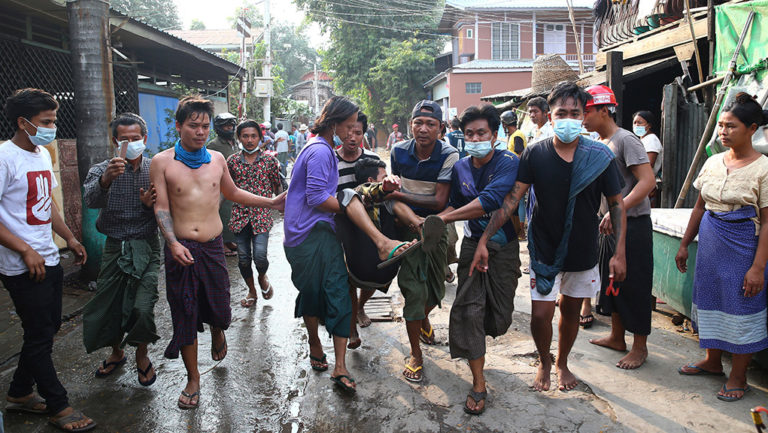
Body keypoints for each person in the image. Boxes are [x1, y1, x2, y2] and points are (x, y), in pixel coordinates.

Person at [470, 81, 627, 392]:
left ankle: (562, 362)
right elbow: (512, 200)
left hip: (583, 248)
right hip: (543, 247)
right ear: (550, 116)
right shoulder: (535, 154)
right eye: (561, 113)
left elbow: (616, 205)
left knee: (571, 311)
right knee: (541, 314)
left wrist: (620, 252)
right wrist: (485, 239)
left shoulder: (599, 157)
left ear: (583, 116)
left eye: (575, 113)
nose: (568, 118)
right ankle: (544, 358)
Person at [150, 95, 285, 410]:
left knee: (220, 309)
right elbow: (161, 207)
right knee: (184, 313)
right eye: (193, 125)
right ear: (178, 126)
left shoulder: (217, 159)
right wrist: (172, 242)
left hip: (212, 247)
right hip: (180, 249)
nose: (200, 132)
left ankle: (218, 331)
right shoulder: (162, 162)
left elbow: (233, 192)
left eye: (204, 126)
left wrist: (271, 202)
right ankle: (193, 378)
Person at [283, 96, 417, 393]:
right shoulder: (319, 151)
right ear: (334, 122)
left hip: (321, 233)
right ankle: (315, 342)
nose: (352, 132)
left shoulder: (321, 148)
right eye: (348, 125)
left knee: (339, 294)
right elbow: (317, 197)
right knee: (313, 294)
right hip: (306, 235)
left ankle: (340, 365)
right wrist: (350, 203)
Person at [0, 88, 94, 431]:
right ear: (23, 122)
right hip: (22, 265)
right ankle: (58, 405)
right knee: (39, 333)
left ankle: (21, 392)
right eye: (46, 121)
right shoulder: (4, 158)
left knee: (46, 329)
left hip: (49, 257)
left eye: (53, 120)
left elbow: (45, 203)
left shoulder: (41, 154)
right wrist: (24, 250)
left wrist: (68, 237)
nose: (52, 127)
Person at [676, 93, 768, 402]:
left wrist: (757, 267)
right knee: (710, 299)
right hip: (711, 243)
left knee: (742, 306)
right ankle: (712, 361)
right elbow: (700, 207)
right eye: (720, 126)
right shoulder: (713, 162)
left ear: (751, 128)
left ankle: (739, 374)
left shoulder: (763, 169)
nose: (723, 132)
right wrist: (685, 244)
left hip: (743, 246)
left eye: (731, 126)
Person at [438, 104, 520, 415]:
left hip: (505, 245)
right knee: (468, 308)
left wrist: (445, 220)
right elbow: (455, 205)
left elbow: (490, 202)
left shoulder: (509, 161)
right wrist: (432, 221)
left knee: (499, 316)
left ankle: (480, 343)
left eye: (481, 133)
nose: (474, 138)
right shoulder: (460, 167)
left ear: (495, 134)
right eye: (469, 133)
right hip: (473, 243)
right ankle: (478, 381)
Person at [81, 113, 160, 388]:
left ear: (145, 139)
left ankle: (142, 354)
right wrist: (105, 180)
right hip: (114, 246)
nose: (131, 144)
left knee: (142, 306)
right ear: (115, 141)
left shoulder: (156, 169)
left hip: (146, 246)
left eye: (136, 139)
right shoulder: (102, 169)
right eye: (124, 139)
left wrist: (150, 206)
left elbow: (169, 208)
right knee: (110, 304)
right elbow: (90, 201)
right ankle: (117, 352)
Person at [582, 85, 656, 370]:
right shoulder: (598, 142)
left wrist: (618, 209)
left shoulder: (627, 140)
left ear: (603, 110)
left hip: (632, 224)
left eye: (586, 111)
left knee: (635, 283)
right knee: (612, 282)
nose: (582, 118)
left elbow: (647, 183)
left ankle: (640, 346)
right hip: (607, 224)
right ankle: (616, 336)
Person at [387, 100, 459, 382]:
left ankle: (422, 319)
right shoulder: (398, 151)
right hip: (407, 226)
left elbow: (440, 200)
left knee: (436, 289)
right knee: (413, 291)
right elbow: (392, 197)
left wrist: (400, 195)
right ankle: (415, 352)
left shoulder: (449, 154)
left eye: (430, 124)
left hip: (437, 226)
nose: (424, 129)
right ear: (410, 125)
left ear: (441, 128)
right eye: (419, 122)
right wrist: (403, 207)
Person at [227, 119, 282, 309]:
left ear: (260, 138)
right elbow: (226, 188)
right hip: (239, 216)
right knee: (243, 259)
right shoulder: (232, 162)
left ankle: (262, 277)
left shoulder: (270, 161)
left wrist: (284, 208)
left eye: (253, 136)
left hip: (262, 215)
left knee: (260, 256)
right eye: (245, 136)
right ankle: (251, 291)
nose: (249, 140)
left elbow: (277, 186)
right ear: (239, 138)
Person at [207, 112, 239, 255]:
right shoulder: (214, 144)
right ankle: (222, 244)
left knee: (232, 213)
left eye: (231, 125)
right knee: (223, 213)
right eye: (225, 126)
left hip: (234, 184)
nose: (229, 128)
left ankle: (229, 240)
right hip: (220, 184)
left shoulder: (235, 142)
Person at [501, 109, 528, 239]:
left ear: (505, 124)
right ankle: (517, 229)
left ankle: (521, 231)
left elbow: (520, 154)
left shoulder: (517, 135)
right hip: (514, 172)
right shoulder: (513, 135)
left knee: (519, 201)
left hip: (518, 173)